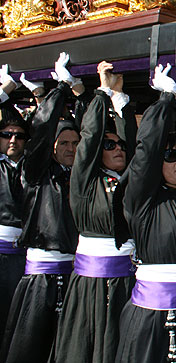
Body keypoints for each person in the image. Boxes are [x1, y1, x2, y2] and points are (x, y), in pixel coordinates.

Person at [1, 53, 83, 363]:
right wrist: (58, 90)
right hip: (40, 277)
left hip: (74, 274)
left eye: (75, 144)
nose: (70, 149)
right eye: (64, 143)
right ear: (50, 147)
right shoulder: (36, 173)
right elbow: (40, 132)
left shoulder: (80, 177)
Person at [118, 64, 176, 363]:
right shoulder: (142, 200)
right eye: (170, 155)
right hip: (153, 318)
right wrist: (165, 98)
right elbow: (146, 150)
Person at [55, 60, 137, 363]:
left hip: (128, 283)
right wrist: (102, 91)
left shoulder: (127, 182)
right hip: (93, 285)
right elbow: (89, 137)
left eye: (120, 146)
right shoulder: (86, 181)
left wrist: (120, 100)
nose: (118, 149)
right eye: (109, 145)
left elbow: (135, 144)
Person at [0, 70, 27, 335]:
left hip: (24, 256)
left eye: (19, 136)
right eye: (7, 135)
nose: (13, 140)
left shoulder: (31, 168)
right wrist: (4, 92)